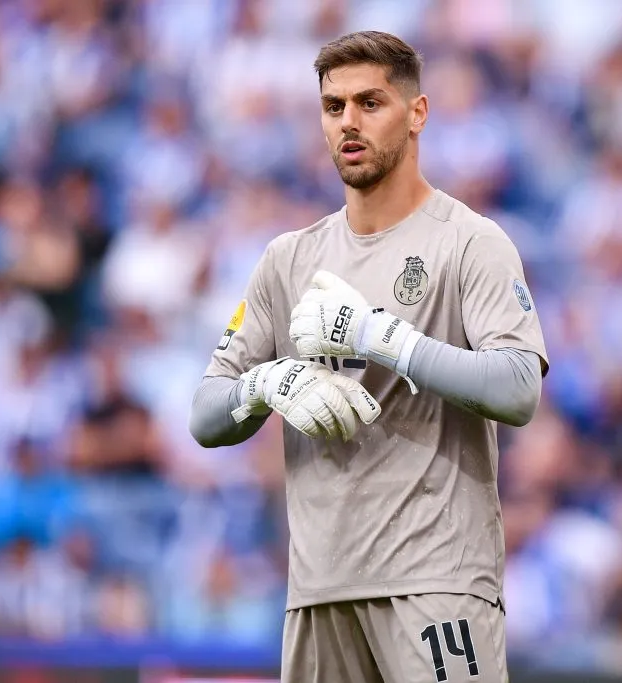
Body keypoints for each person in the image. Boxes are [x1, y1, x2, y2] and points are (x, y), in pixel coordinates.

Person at [189, 30, 548, 683]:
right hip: (318, 589)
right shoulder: (287, 259)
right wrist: (267, 381)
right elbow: (206, 413)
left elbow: (519, 385)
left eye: (370, 102)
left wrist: (383, 338)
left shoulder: (471, 242)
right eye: (333, 107)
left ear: (418, 114)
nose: (348, 121)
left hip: (437, 581)